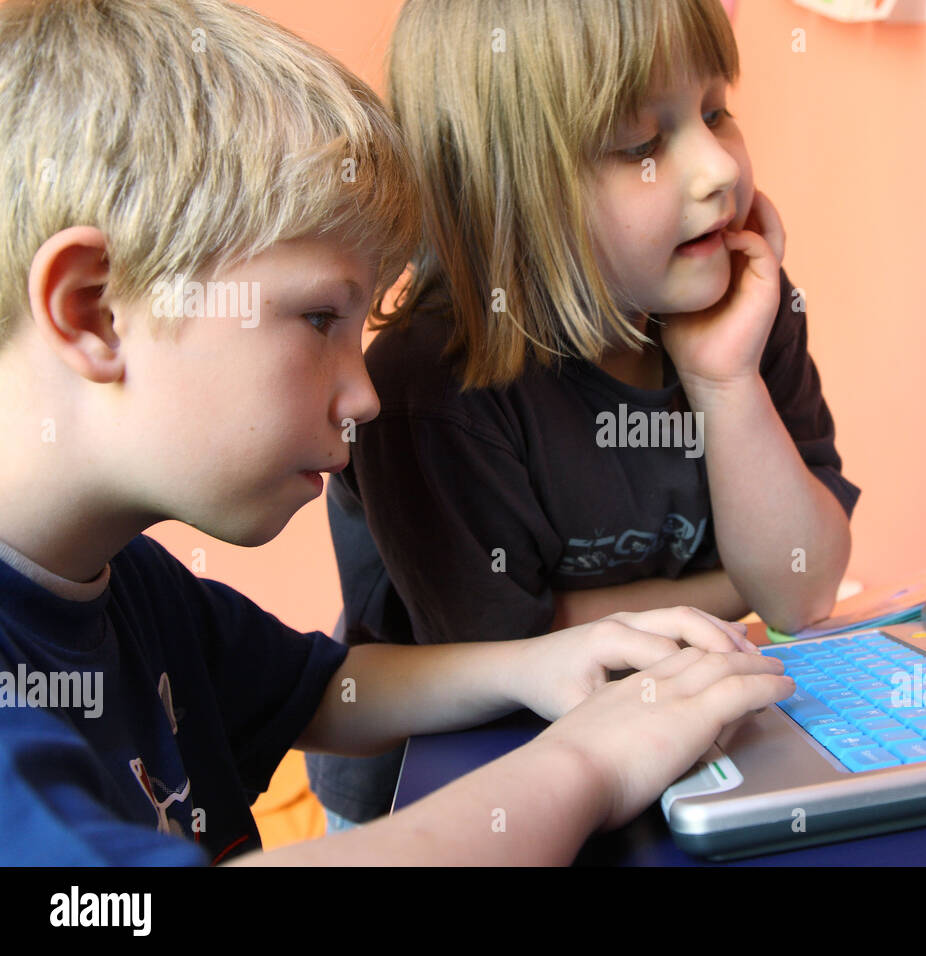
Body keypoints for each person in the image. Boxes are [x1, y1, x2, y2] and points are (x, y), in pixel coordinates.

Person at [0, 0, 792, 866]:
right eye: (318, 317)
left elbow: (323, 694)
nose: (366, 394)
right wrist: (589, 762)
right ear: (97, 313)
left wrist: (538, 664)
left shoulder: (126, 584)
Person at [311, 0, 860, 827]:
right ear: (502, 198)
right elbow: (518, 655)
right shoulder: (428, 389)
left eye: (716, 111)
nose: (716, 167)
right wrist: (740, 583)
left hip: (671, 734)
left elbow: (801, 589)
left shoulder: (743, 310)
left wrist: (724, 381)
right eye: (642, 145)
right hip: (445, 780)